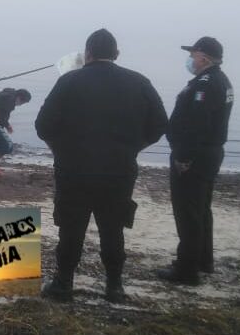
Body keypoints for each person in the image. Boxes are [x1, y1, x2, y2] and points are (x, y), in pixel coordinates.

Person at [35, 29, 167, 303]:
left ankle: (63, 283)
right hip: (119, 171)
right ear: (116, 54)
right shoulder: (139, 82)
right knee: (113, 229)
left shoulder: (69, 81)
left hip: (74, 171)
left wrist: (60, 149)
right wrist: (134, 148)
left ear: (88, 54)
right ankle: (114, 286)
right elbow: (159, 125)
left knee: (71, 229)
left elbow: (43, 126)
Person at [158, 37, 233, 285]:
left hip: (196, 156)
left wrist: (184, 157)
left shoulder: (206, 84)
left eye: (193, 55)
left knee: (188, 212)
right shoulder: (220, 80)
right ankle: (203, 259)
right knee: (201, 209)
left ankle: (187, 269)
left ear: (204, 57)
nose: (190, 59)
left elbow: (197, 125)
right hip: (209, 153)